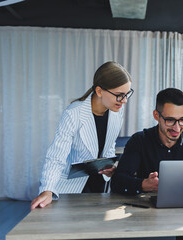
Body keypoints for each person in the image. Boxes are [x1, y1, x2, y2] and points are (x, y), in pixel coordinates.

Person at [31, 61, 134, 210]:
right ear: (99, 91)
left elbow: (109, 144)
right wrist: (47, 189)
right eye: (119, 95)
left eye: (127, 94)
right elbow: (56, 156)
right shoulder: (73, 114)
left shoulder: (117, 110)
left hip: (100, 184)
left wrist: (109, 166)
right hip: (72, 187)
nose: (124, 101)